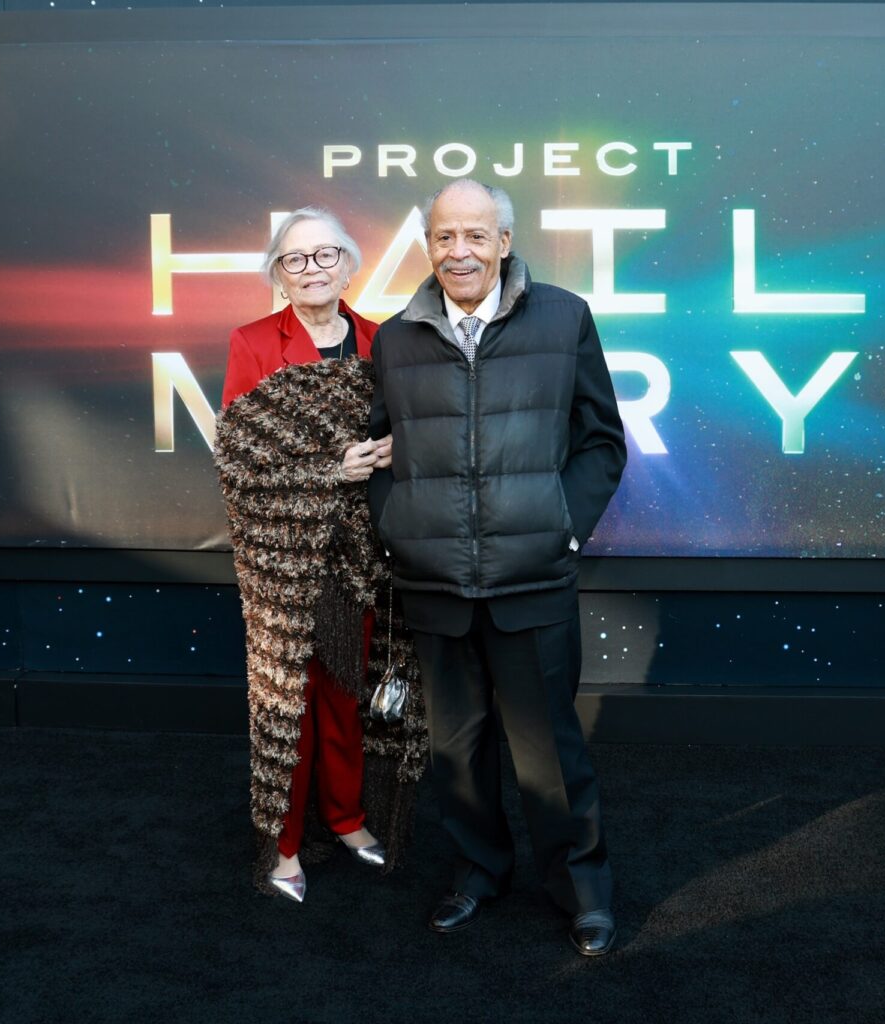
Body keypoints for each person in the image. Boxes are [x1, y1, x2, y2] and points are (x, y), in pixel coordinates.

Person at [367, 179, 627, 955]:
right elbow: (383, 451)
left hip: (532, 580)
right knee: (457, 752)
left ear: (505, 243)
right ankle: (478, 874)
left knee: (550, 752)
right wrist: (396, 526)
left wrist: (562, 528)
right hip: (435, 585)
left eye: (476, 235)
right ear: (429, 248)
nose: (460, 251)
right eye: (445, 237)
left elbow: (602, 441)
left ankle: (582, 889)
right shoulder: (395, 338)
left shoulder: (564, 318)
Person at [215, 206, 424, 903]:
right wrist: (326, 471)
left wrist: (396, 449)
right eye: (296, 258)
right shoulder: (251, 342)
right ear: (277, 271)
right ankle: (281, 845)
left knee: (346, 694)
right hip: (285, 560)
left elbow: (411, 429)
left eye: (326, 254)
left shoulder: (381, 340)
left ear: (349, 262)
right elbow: (242, 462)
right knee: (286, 705)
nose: (313, 269)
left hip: (359, 556)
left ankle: (347, 818)